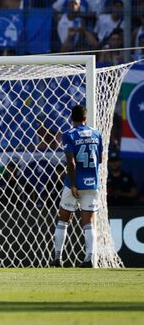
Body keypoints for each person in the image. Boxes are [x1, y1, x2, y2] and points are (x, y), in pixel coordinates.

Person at [52, 105, 103, 268]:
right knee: (88, 222)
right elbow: (100, 159)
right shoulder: (96, 133)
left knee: (63, 219)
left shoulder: (68, 135)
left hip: (74, 183)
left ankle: (58, 258)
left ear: (71, 118)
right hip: (92, 182)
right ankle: (89, 259)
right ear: (85, 118)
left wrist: (73, 184)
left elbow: (71, 162)